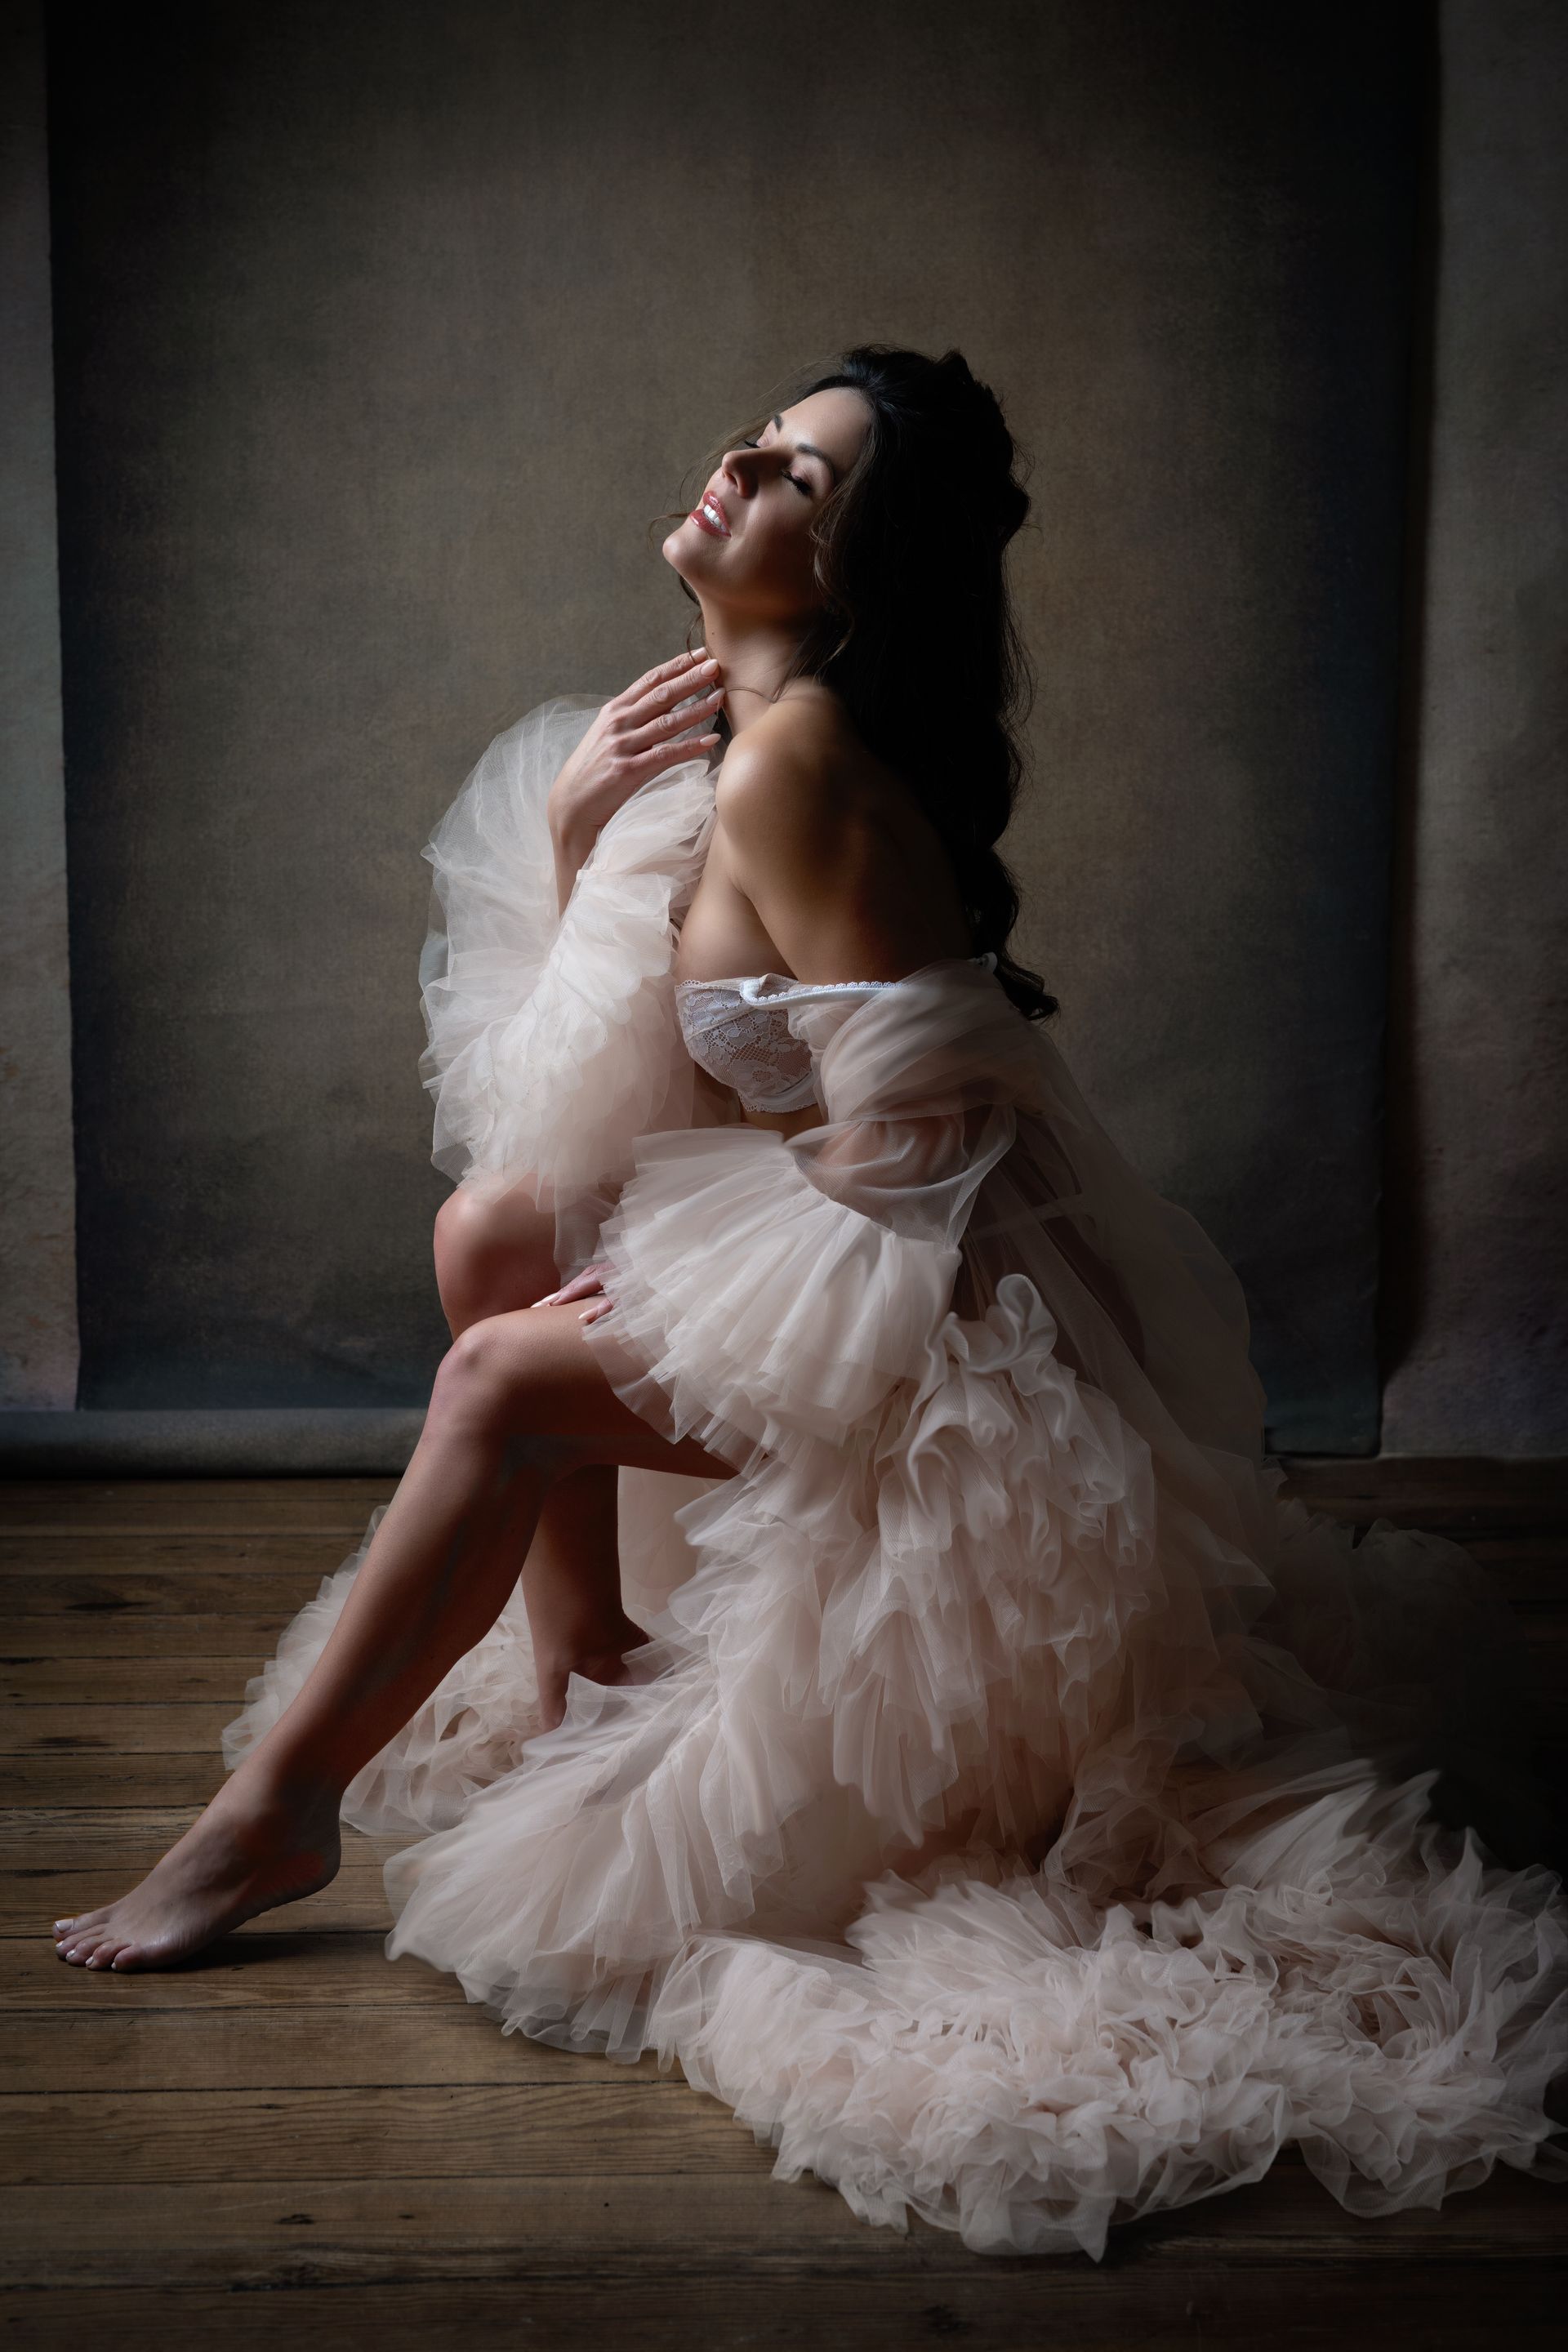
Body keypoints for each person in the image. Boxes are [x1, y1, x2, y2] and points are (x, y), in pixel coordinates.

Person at [51, 346, 1567, 2260]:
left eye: (801, 479)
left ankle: (270, 1818)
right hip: (876, 1246)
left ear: (847, 577)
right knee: (491, 1240)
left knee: (506, 1377)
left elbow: (925, 1148)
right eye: (761, 441)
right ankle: (584, 1653)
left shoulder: (800, 763)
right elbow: (577, 1092)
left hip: (962, 1352)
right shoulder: (722, 745)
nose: (741, 467)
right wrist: (580, 833)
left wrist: (680, 1283)